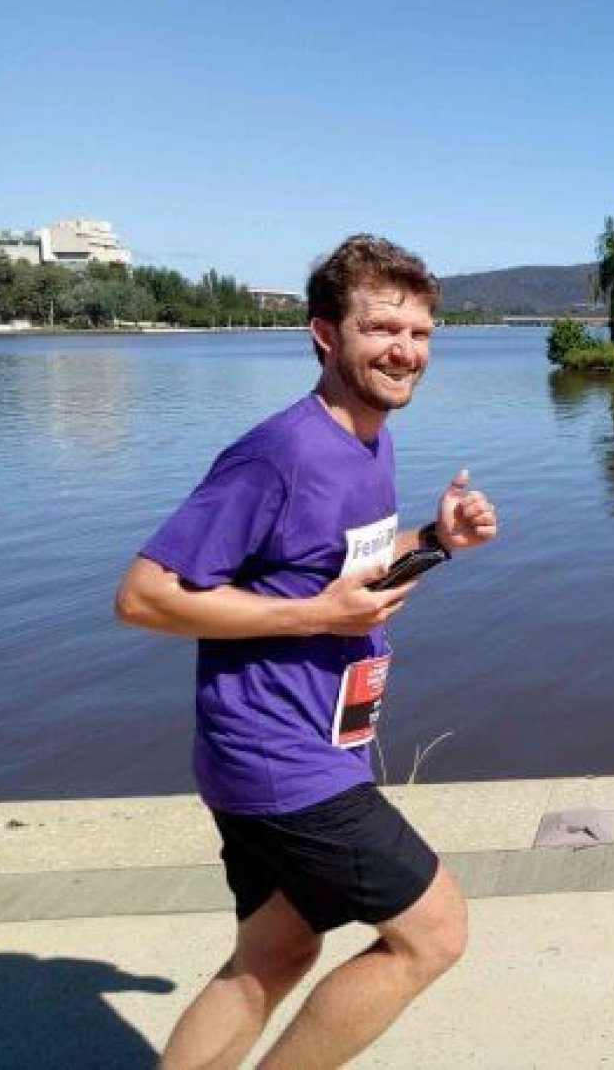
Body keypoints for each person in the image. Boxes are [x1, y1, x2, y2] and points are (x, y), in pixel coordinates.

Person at [115, 234, 498, 1068]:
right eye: (383, 329)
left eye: (421, 333)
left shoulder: (369, 436)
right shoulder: (278, 453)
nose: (405, 351)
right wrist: (315, 617)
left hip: (298, 749)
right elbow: (143, 595)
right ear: (326, 333)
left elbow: (342, 572)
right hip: (282, 762)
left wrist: (436, 537)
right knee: (433, 933)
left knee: (273, 956)